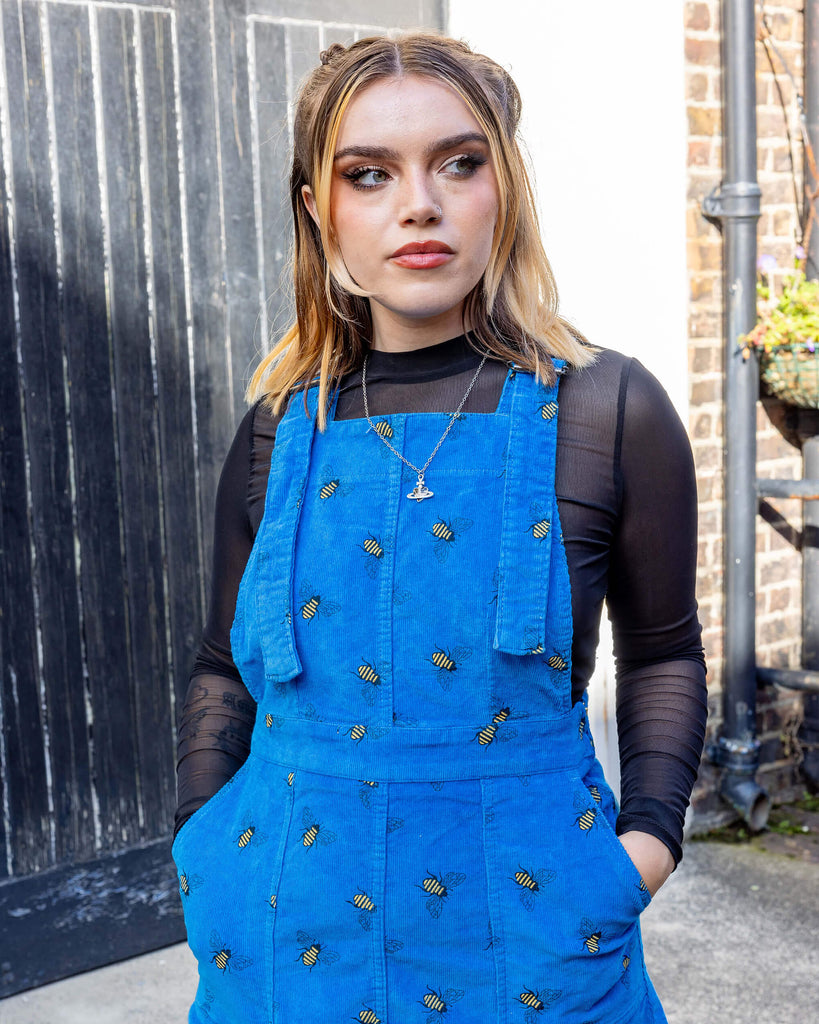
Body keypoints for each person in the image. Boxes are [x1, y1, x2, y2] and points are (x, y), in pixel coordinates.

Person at [172, 32, 707, 1024]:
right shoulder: (279, 427)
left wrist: (646, 849)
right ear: (318, 213)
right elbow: (221, 665)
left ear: (504, 190)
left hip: (539, 949)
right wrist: (202, 841)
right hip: (284, 955)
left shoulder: (607, 411)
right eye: (368, 174)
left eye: (459, 163)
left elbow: (665, 651)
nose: (418, 203)